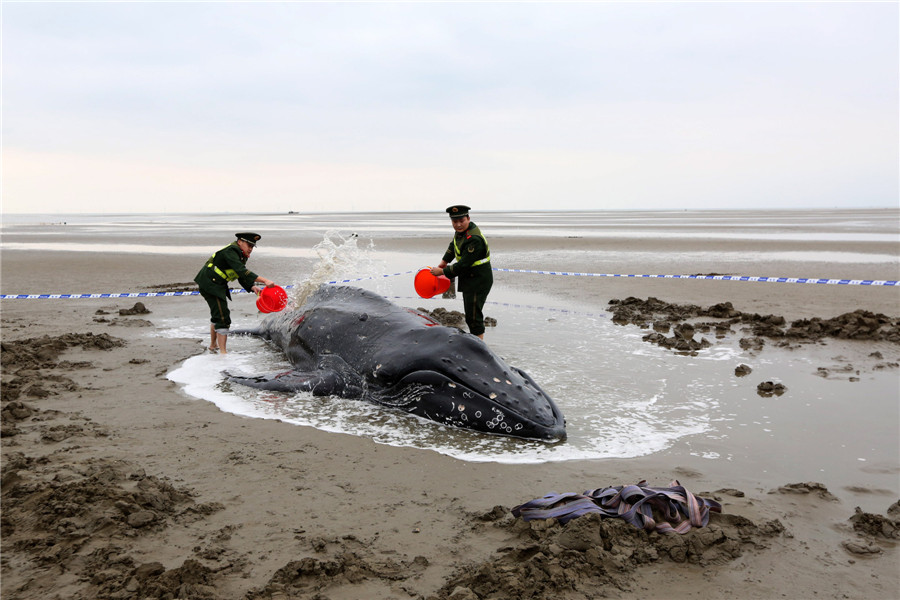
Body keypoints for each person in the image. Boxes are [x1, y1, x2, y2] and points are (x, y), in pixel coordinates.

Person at [194, 232, 276, 354]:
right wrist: (264, 280)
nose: (250, 249)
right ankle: (223, 353)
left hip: (216, 283)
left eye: (252, 247)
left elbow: (240, 275)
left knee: (218, 313)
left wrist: (252, 287)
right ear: (240, 242)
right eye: (249, 245)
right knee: (223, 317)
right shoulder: (231, 251)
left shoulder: (241, 254)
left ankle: (213, 346)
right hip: (210, 283)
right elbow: (242, 271)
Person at [431, 205, 493, 339]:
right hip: (470, 278)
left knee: (474, 316)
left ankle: (480, 348)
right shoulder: (462, 233)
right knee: (470, 313)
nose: (458, 225)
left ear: (468, 219)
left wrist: (441, 271)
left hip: (478, 280)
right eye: (454, 222)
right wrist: (444, 261)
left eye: (461, 221)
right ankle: (477, 343)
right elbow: (453, 245)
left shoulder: (474, 239)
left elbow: (462, 265)